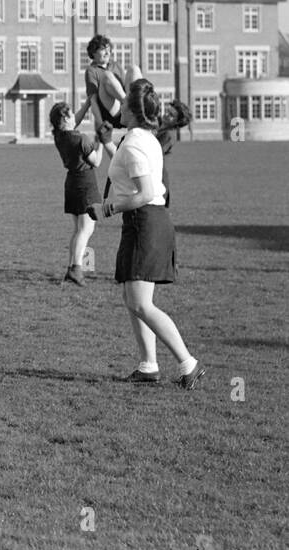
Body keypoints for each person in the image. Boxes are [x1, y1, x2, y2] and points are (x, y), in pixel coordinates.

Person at [102, 79, 204, 389]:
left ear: (132, 111)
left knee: (142, 303)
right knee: (133, 299)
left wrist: (108, 209)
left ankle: (189, 364)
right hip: (145, 222)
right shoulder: (142, 136)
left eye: (123, 103)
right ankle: (148, 365)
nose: (118, 107)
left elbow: (146, 192)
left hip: (145, 222)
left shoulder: (134, 142)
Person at [51, 101, 105, 286]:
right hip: (85, 183)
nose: (75, 116)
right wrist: (103, 142)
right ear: (65, 118)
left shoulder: (60, 136)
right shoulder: (81, 139)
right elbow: (96, 161)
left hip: (71, 183)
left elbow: (76, 120)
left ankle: (72, 268)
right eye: (72, 114)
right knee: (86, 229)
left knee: (78, 230)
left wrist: (90, 102)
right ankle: (76, 269)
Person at [75, 35, 130, 131]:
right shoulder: (91, 70)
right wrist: (101, 124)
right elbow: (93, 100)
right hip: (110, 114)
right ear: (94, 52)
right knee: (107, 75)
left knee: (134, 69)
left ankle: (140, 108)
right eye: (103, 49)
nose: (107, 52)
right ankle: (131, 105)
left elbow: (126, 88)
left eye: (109, 49)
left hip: (125, 109)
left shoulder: (116, 65)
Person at [155, 100, 191, 209]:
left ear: (176, 122)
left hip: (158, 178)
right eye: (167, 111)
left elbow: (155, 153)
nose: (166, 115)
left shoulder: (169, 135)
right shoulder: (158, 123)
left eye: (171, 115)